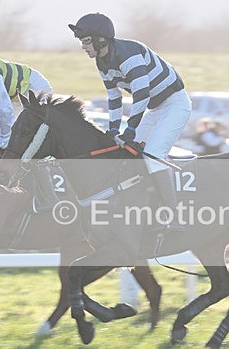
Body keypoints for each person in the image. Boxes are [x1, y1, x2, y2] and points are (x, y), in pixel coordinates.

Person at [68, 13, 191, 231]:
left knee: (152, 155)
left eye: (86, 41)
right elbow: (114, 97)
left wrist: (131, 128)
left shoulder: (129, 55)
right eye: (81, 41)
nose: (83, 47)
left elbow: (141, 94)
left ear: (101, 40)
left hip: (175, 105)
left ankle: (174, 216)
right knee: (126, 154)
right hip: (155, 110)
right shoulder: (102, 62)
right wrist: (114, 130)